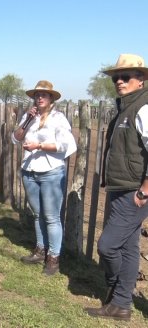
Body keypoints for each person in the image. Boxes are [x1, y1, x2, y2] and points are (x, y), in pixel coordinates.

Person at [84, 54, 148, 321]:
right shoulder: (124, 108)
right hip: (119, 187)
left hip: (134, 190)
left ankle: (115, 287)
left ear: (141, 80)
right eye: (115, 78)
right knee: (128, 247)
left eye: (126, 77)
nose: (119, 81)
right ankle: (121, 305)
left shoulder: (143, 107)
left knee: (108, 246)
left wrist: (145, 189)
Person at [11, 80, 76, 276]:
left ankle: (53, 257)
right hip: (30, 171)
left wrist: (39, 146)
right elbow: (16, 138)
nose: (39, 98)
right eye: (37, 95)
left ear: (51, 99)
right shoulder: (28, 116)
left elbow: (66, 145)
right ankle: (40, 249)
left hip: (51, 172)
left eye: (44, 95)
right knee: (38, 214)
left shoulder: (58, 119)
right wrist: (27, 121)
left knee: (52, 217)